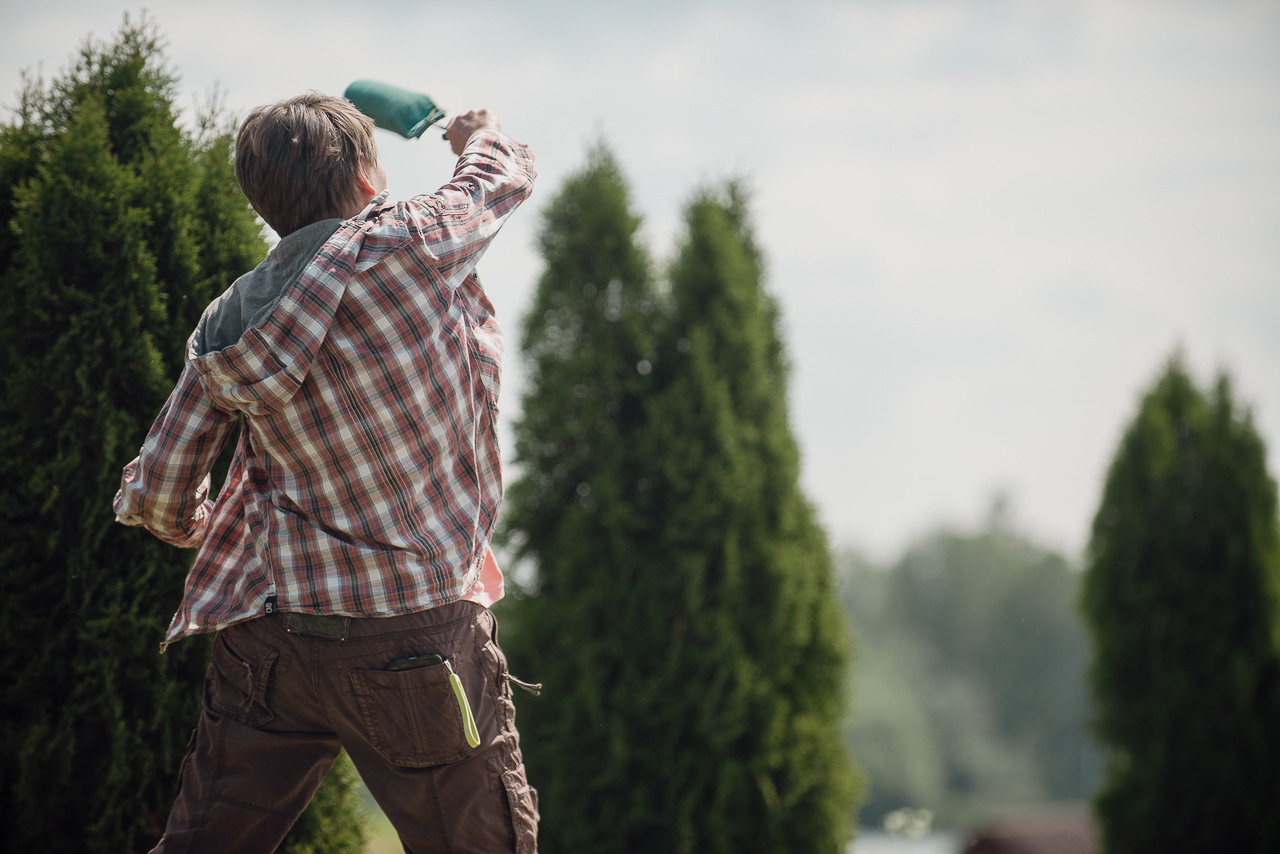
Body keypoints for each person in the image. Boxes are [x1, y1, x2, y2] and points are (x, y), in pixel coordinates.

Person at [113, 92, 538, 853]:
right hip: (414, 638)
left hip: (271, 642)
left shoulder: (228, 320)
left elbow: (157, 492)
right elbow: (495, 183)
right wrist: (480, 132)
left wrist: (206, 526)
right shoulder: (408, 242)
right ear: (369, 180)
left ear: (264, 204)